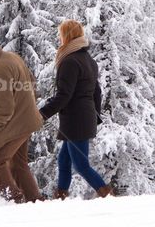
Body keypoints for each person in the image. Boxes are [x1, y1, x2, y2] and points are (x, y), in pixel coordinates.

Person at [38, 20, 112, 199]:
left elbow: (64, 95)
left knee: (80, 165)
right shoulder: (88, 60)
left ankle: (107, 195)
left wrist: (42, 114)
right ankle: (61, 197)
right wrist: (95, 116)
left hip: (75, 119)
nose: (59, 37)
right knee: (64, 160)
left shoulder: (70, 61)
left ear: (66, 36)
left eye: (60, 34)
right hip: (83, 117)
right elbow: (97, 92)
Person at [0, 38, 45, 202]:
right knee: (18, 163)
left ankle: (13, 199)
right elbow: (32, 84)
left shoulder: (1, 68)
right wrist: (26, 105)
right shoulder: (12, 57)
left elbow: (5, 108)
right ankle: (35, 200)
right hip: (27, 120)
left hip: (18, 123)